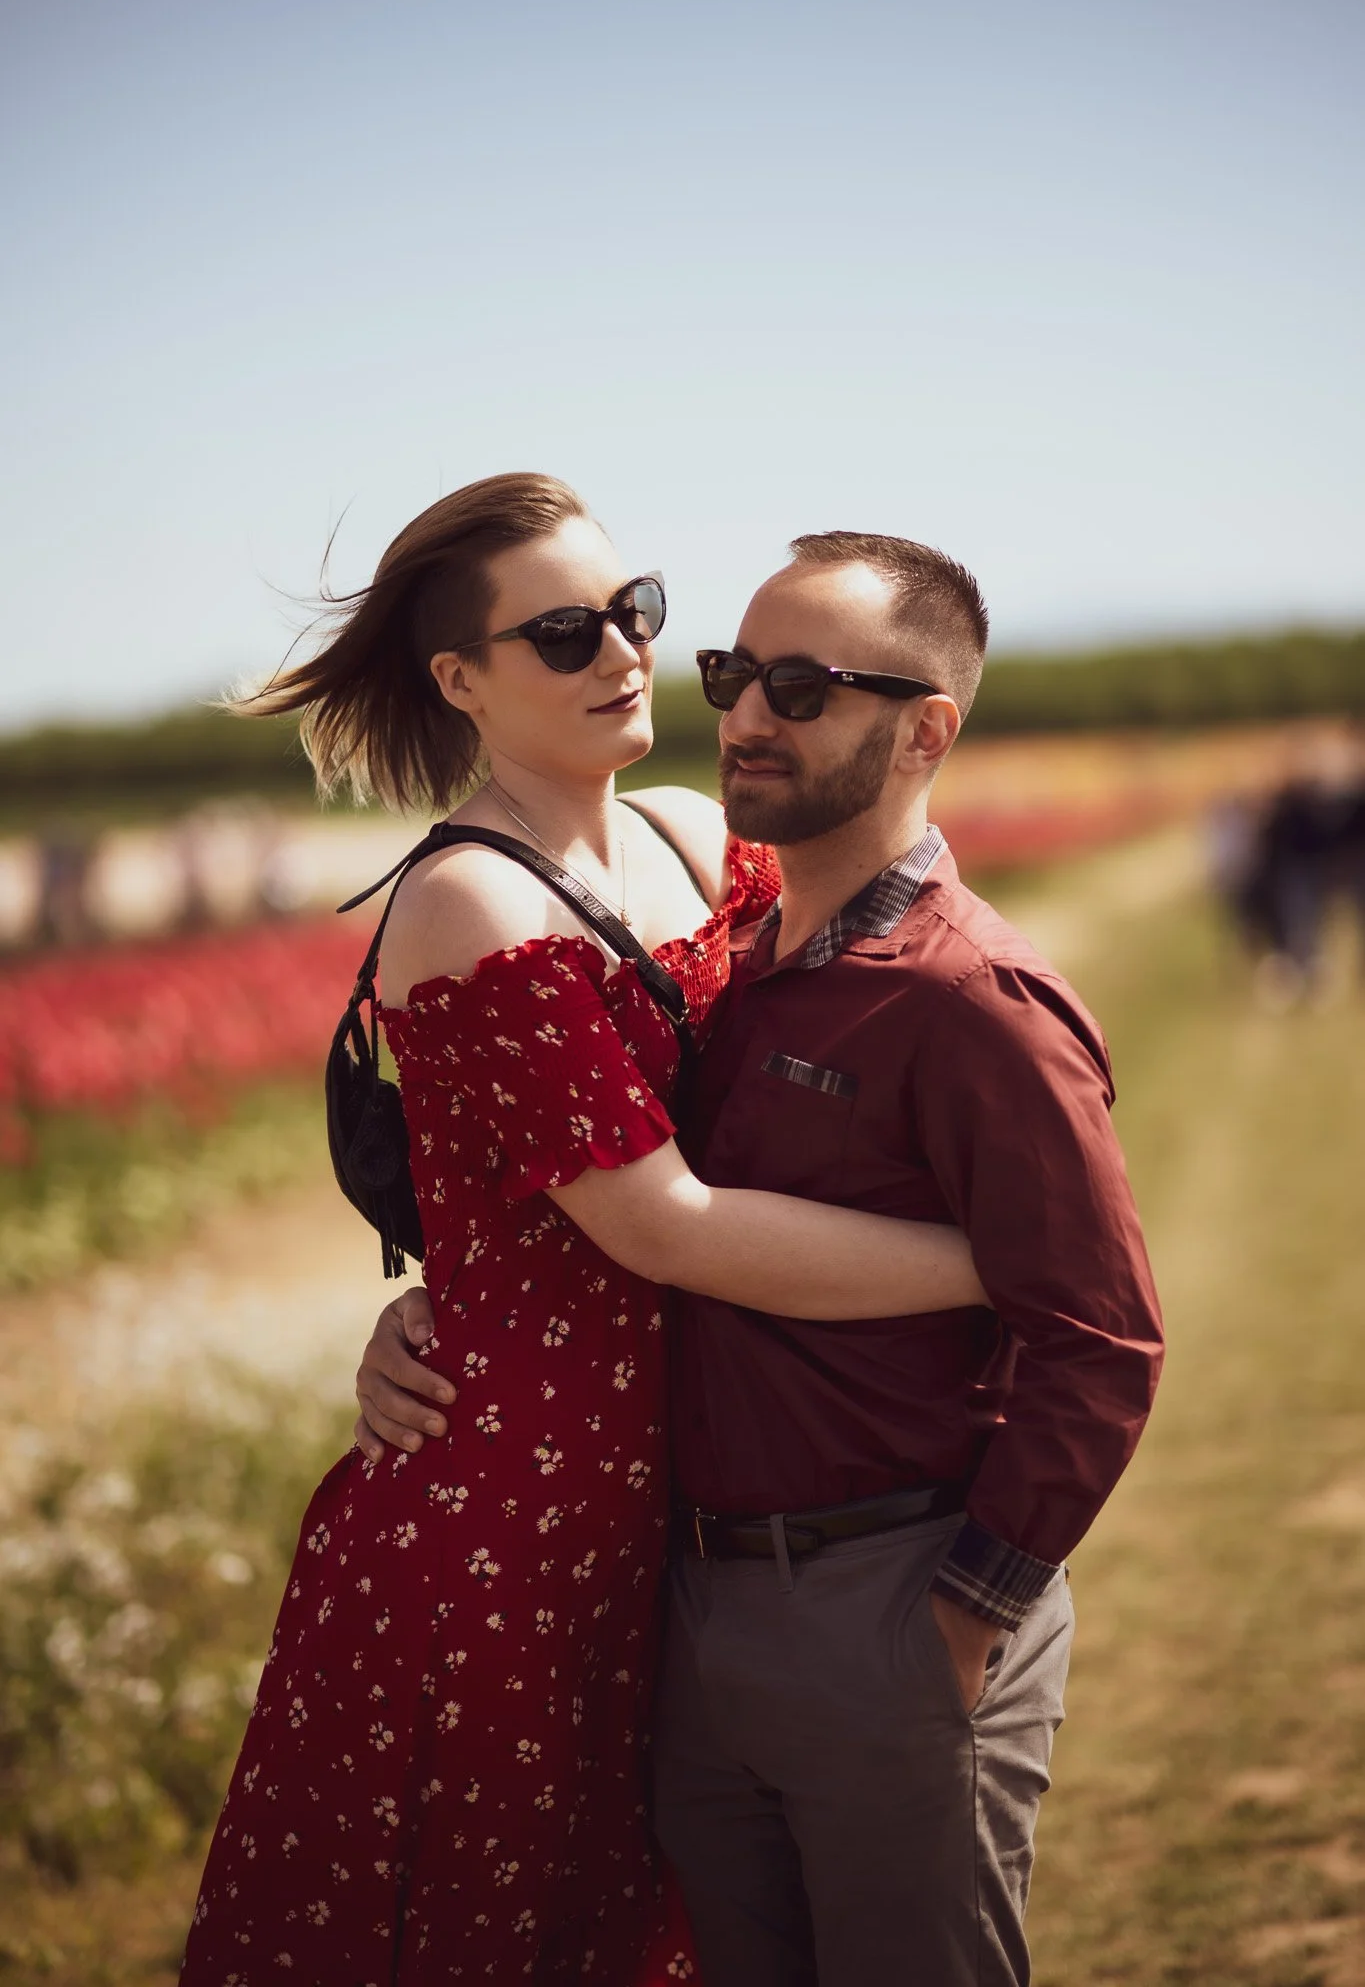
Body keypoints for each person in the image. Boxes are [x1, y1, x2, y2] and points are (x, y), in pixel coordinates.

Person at [180, 476, 990, 1986]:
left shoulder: (696, 838)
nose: (622, 652)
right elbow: (665, 1227)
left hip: (685, 1501)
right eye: (564, 633)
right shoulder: (469, 905)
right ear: (461, 682)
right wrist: (1000, 1269)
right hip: (506, 1538)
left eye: (637, 611)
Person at [357, 528, 1165, 1986]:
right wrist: (437, 1311)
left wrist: (974, 1606)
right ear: (461, 679)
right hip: (687, 1595)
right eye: (735, 672)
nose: (740, 715)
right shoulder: (741, 946)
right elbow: (567, 1197)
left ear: (927, 731)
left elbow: (1102, 1338)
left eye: (803, 687)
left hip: (887, 1591)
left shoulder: (972, 1000)